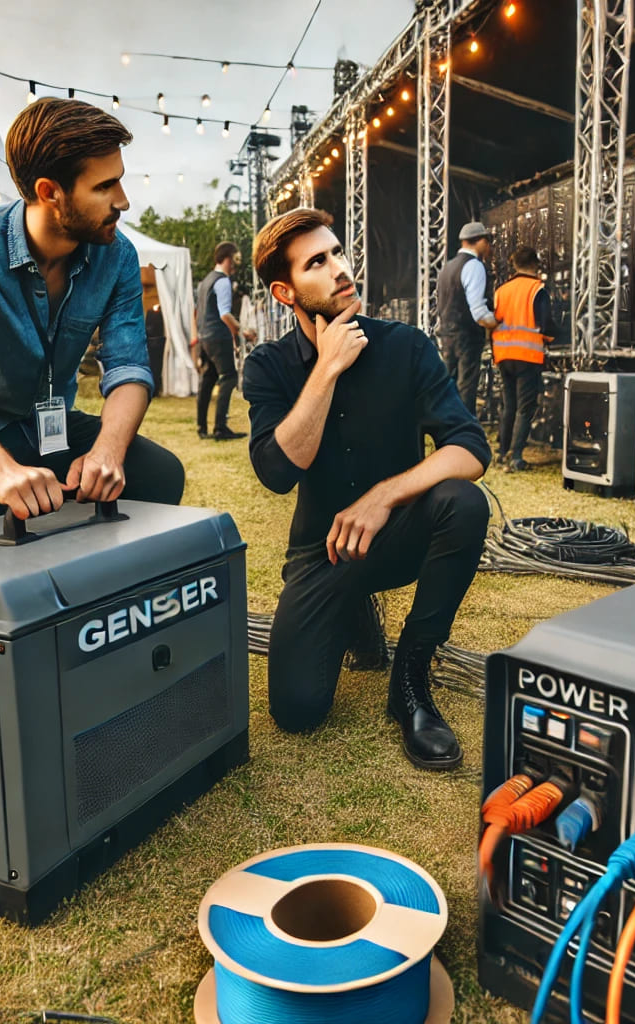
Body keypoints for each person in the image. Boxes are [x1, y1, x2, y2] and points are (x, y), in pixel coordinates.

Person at [241, 208, 491, 771]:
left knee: (463, 503)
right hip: (321, 553)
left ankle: (410, 678)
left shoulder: (406, 346)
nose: (339, 269)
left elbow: (469, 448)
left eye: (337, 253)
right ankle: (355, 611)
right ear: (286, 292)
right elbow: (278, 471)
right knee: (298, 710)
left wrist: (383, 497)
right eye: (317, 262)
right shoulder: (269, 367)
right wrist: (326, 369)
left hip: (398, 534)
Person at [0, 97, 185, 528]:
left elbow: (128, 366)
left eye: (120, 181)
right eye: (104, 186)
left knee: (160, 475)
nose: (123, 201)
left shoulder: (118, 257)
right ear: (48, 192)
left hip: (48, 423)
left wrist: (107, 453)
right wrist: (0, 473)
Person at [490, 246, 555, 471]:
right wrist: (551, 338)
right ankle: (516, 457)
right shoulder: (538, 290)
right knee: (525, 408)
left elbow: (492, 321)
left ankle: (501, 452)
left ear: (515, 265)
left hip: (503, 355)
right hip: (527, 355)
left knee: (508, 405)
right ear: (535, 265)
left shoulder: (501, 291)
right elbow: (546, 324)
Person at [434, 220, 498, 417]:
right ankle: (464, 431)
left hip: (447, 333)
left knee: (448, 383)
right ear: (479, 241)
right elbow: (478, 310)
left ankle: (445, 424)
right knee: (466, 385)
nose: (489, 247)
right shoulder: (474, 266)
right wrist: (496, 322)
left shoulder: (446, 268)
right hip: (467, 335)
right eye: (487, 242)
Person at [194, 241, 256, 440]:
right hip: (217, 337)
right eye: (235, 259)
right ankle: (220, 428)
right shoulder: (222, 281)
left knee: (208, 379)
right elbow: (224, 314)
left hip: (204, 336)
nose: (236, 265)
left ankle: (201, 427)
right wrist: (241, 331)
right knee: (228, 377)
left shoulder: (205, 282)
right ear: (228, 259)